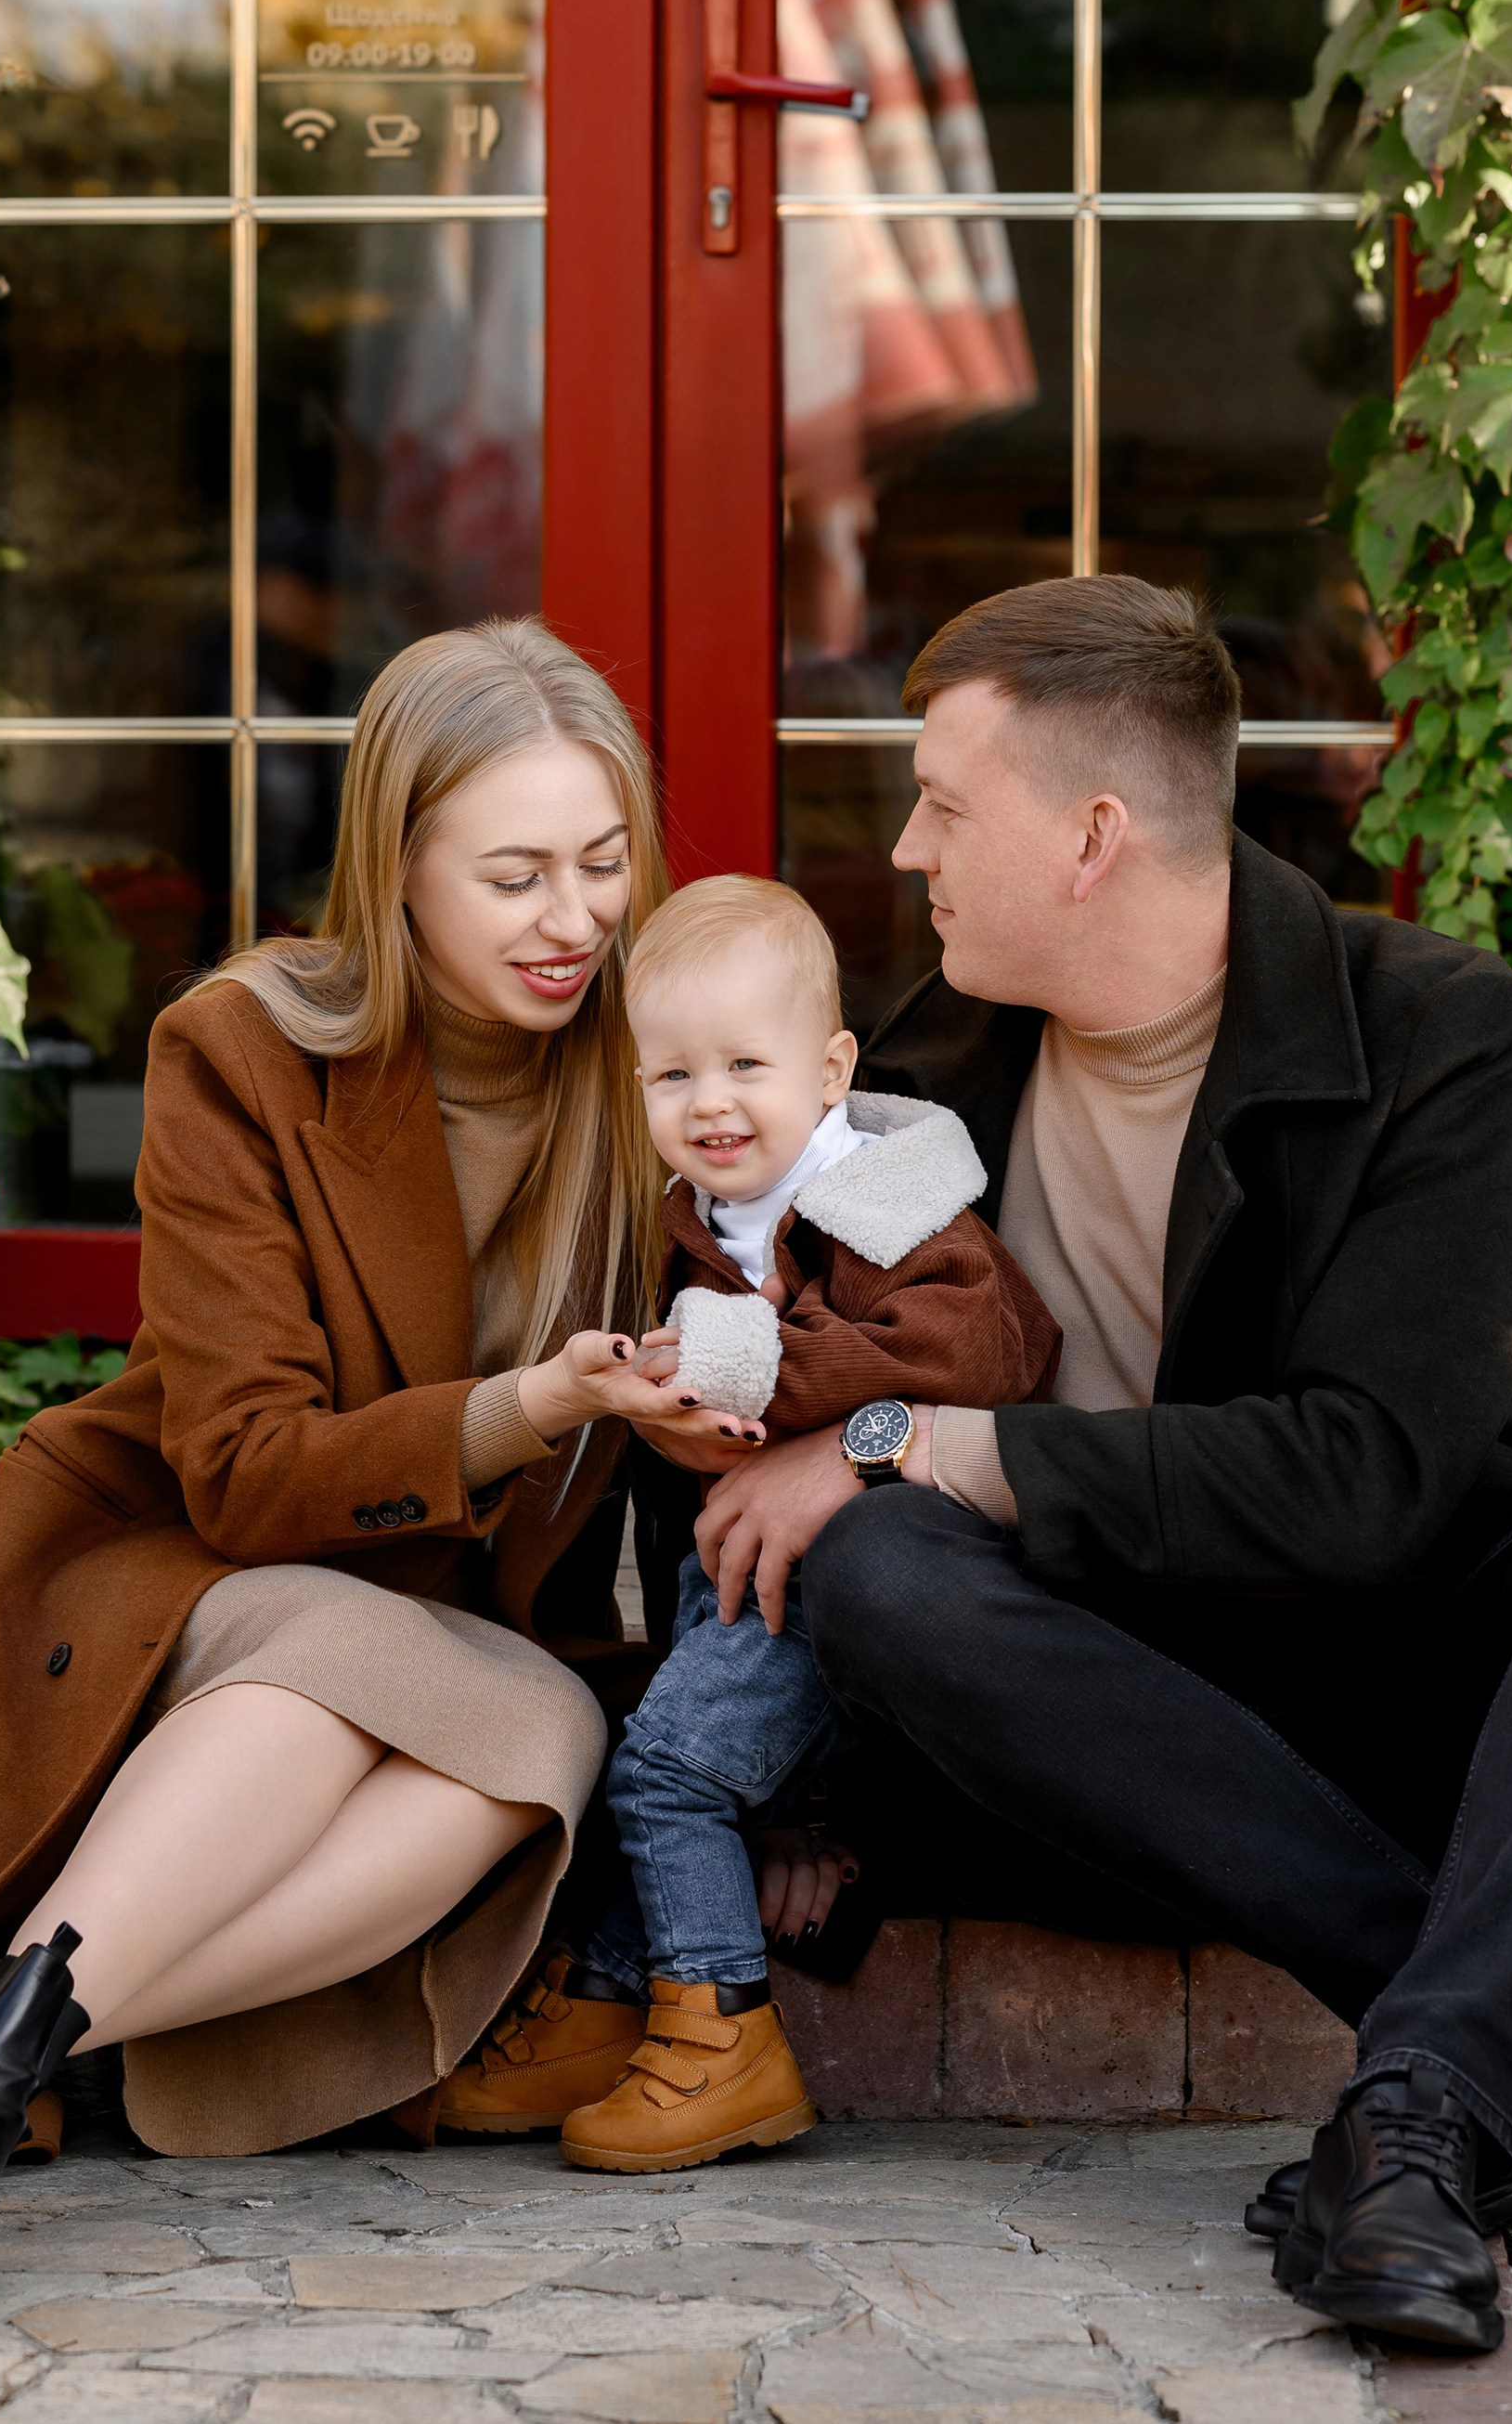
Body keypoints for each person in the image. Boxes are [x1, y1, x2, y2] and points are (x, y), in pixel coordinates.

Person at [682, 575, 1512, 2359]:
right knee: (878, 1569)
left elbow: (1375, 1481)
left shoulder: (1443, 1038)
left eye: (948, 806)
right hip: (1132, 1733)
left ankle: (1417, 2104)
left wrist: (921, 1439)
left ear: (1093, 834)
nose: (904, 850)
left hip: (1437, 1695)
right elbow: (773, 1407)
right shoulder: (917, 1078)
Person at [0, 618, 756, 2307]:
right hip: (186, 1569)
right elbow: (247, 1471)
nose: (577, 921)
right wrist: (534, 1405)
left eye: (607, 864)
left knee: (542, 1730)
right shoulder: (243, 1049)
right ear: (397, 871)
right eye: (519, 875)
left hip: (447, 1627)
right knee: (339, 1653)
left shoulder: (655, 1068)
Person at [441, 873, 1058, 2172]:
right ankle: (607, 2006)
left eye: (744, 1067)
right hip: (745, 1574)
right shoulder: (714, 1213)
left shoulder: (887, 1206)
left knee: (664, 1774)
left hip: (863, 1571)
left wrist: (745, 1358)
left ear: (833, 1068)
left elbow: (978, 1348)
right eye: (671, 1078)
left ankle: (721, 2033)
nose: (708, 1104)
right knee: (657, 1750)